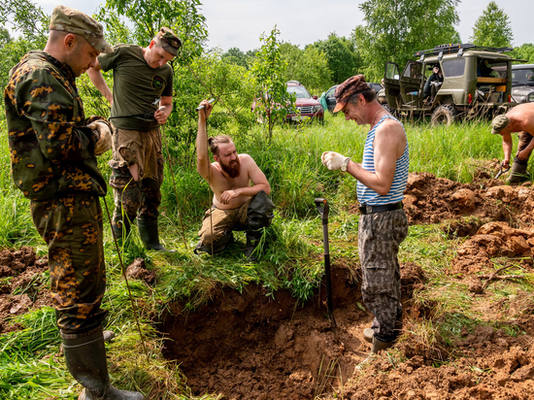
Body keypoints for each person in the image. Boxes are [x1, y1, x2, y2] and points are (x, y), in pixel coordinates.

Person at [4, 5, 143, 400]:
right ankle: (96, 390)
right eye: (91, 54)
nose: (94, 63)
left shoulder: (50, 72)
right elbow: (62, 144)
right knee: (77, 289)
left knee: (87, 281)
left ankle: (90, 345)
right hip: (62, 200)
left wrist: (89, 126)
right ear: (69, 41)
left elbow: (61, 129)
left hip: (71, 196)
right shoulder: (41, 76)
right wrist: (99, 134)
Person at [321, 75, 409, 353]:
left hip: (381, 217)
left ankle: (384, 342)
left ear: (361, 99)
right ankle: (387, 326)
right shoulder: (378, 127)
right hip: (377, 216)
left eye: (347, 110)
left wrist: (347, 164)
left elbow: (382, 184)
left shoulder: (386, 129)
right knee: (384, 274)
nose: (347, 117)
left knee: (377, 280)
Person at [87, 27, 181, 251]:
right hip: (126, 131)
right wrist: (109, 96)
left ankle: (152, 243)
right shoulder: (124, 53)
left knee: (152, 188)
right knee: (129, 189)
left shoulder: (166, 71)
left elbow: (167, 102)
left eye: (166, 60)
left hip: (151, 133)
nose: (161, 63)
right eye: (159, 56)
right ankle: (124, 247)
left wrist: (165, 111)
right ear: (151, 45)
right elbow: (92, 67)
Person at [194, 100, 275, 258]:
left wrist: (238, 192)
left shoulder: (245, 160)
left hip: (247, 211)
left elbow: (265, 187)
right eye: (227, 155)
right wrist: (202, 120)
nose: (233, 157)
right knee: (208, 240)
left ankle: (253, 246)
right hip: (222, 212)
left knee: (263, 202)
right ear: (217, 158)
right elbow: (202, 156)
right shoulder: (211, 171)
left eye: (234, 152)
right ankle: (226, 238)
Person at [491, 103, 534, 184]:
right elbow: (506, 140)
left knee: (525, 151)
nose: (500, 134)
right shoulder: (504, 121)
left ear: (508, 127)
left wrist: (527, 150)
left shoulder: (525, 122)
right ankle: (518, 177)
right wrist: (506, 158)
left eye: (500, 132)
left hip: (531, 120)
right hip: (531, 123)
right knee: (521, 151)